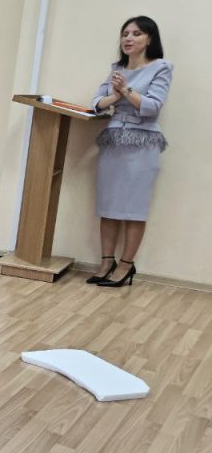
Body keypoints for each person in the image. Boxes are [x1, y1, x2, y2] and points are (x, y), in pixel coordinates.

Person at [87, 16, 173, 288]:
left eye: (136, 33)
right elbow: (96, 102)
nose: (128, 38)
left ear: (149, 38)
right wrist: (114, 96)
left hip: (143, 141)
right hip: (114, 139)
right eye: (125, 33)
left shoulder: (161, 67)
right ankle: (106, 262)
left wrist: (125, 90)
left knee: (134, 208)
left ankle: (126, 265)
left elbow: (152, 106)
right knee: (108, 204)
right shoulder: (117, 68)